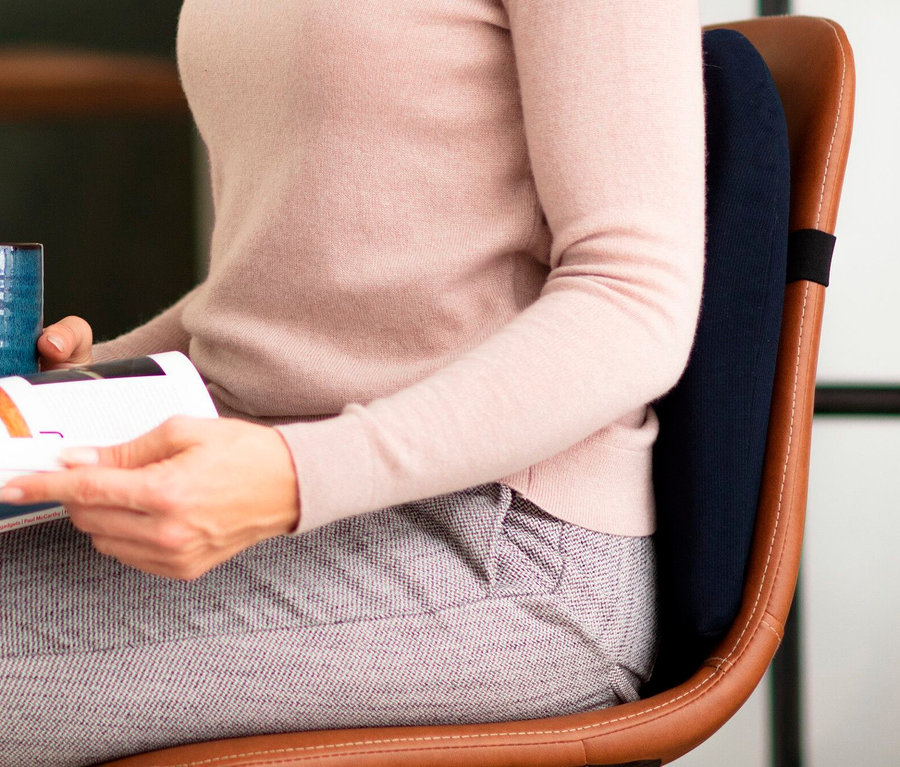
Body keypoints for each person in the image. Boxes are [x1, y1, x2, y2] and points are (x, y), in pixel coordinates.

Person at [0, 0, 705, 764]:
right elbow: (275, 299)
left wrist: (299, 476)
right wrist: (72, 393)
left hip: (498, 540)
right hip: (273, 479)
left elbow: (636, 299)